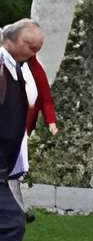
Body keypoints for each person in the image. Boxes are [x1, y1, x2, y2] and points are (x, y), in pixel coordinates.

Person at [0, 18, 42, 241]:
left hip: (3, 168)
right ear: (10, 39)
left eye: (38, 47)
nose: (34, 51)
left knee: (11, 224)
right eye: (30, 45)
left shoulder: (20, 70)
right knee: (12, 223)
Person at [5, 18, 56, 217]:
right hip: (10, 131)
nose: (33, 52)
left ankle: (17, 211)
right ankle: (18, 211)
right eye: (31, 47)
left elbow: (45, 98)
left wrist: (51, 121)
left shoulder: (32, 67)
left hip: (20, 131)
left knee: (13, 173)